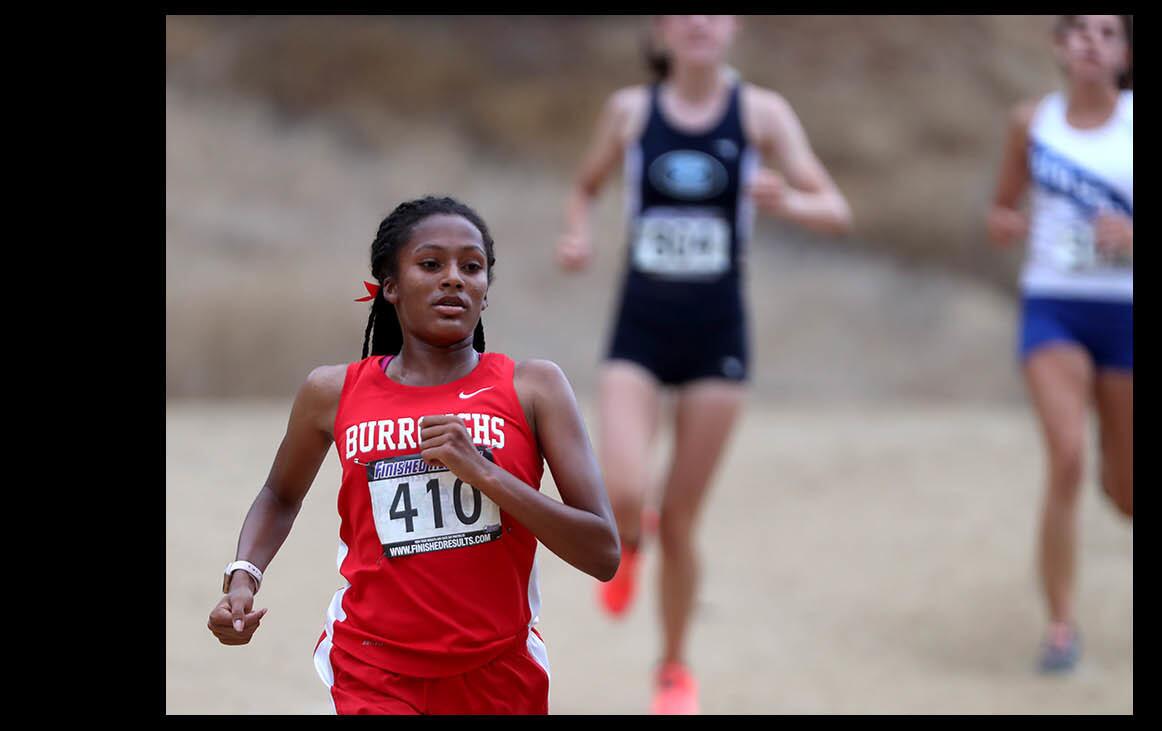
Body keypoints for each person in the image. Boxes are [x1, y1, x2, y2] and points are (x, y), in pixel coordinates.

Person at [207, 195, 621, 714]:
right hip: (372, 669)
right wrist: (243, 576)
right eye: (431, 264)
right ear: (391, 286)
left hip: (499, 671)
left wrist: (486, 475)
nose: (454, 279)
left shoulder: (533, 388)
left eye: (472, 267)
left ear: (486, 290)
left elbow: (603, 553)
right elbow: (279, 494)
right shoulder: (332, 392)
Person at [556, 15, 852, 714]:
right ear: (660, 31)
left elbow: (836, 208)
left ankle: (673, 670)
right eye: (682, 14)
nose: (698, 23)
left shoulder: (761, 113)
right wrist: (576, 235)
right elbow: (584, 188)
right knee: (622, 487)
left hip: (717, 335)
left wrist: (792, 201)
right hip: (639, 329)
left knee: (684, 518)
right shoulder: (630, 111)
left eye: (712, 13)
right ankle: (629, 538)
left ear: (732, 27)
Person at [986, 14, 1133, 673]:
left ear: (1125, 50)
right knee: (1066, 454)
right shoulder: (1031, 122)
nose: (1090, 44)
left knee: (1124, 489)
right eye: (1077, 31)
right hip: (1053, 307)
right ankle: (1061, 624)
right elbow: (1001, 205)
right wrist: (1006, 222)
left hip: (1125, 311)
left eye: (1106, 32)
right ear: (1058, 46)